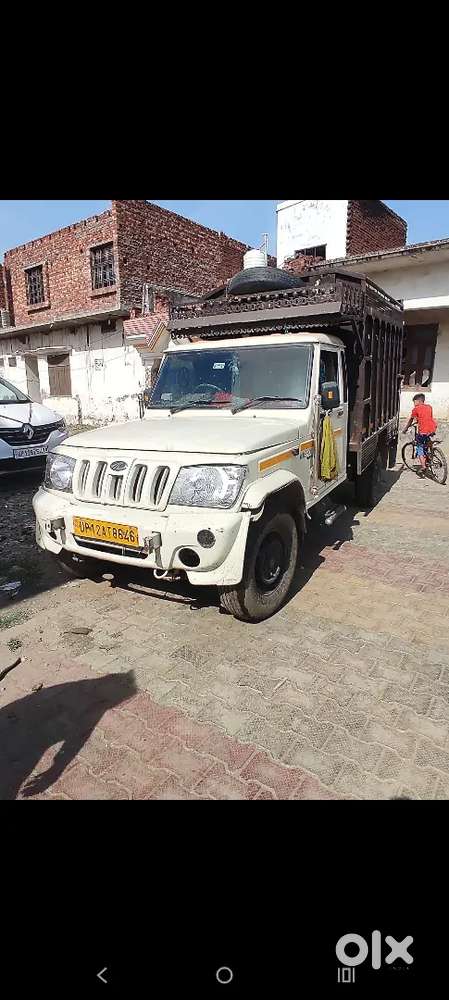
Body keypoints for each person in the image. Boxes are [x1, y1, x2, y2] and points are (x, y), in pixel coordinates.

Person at [402, 393, 437, 475]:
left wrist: (406, 428)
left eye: (414, 402)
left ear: (418, 401)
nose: (414, 404)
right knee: (427, 440)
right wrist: (419, 421)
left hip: (423, 431)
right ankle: (431, 454)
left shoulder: (416, 409)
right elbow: (426, 418)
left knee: (419, 447)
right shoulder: (429, 407)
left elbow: (411, 420)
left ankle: (423, 466)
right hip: (432, 429)